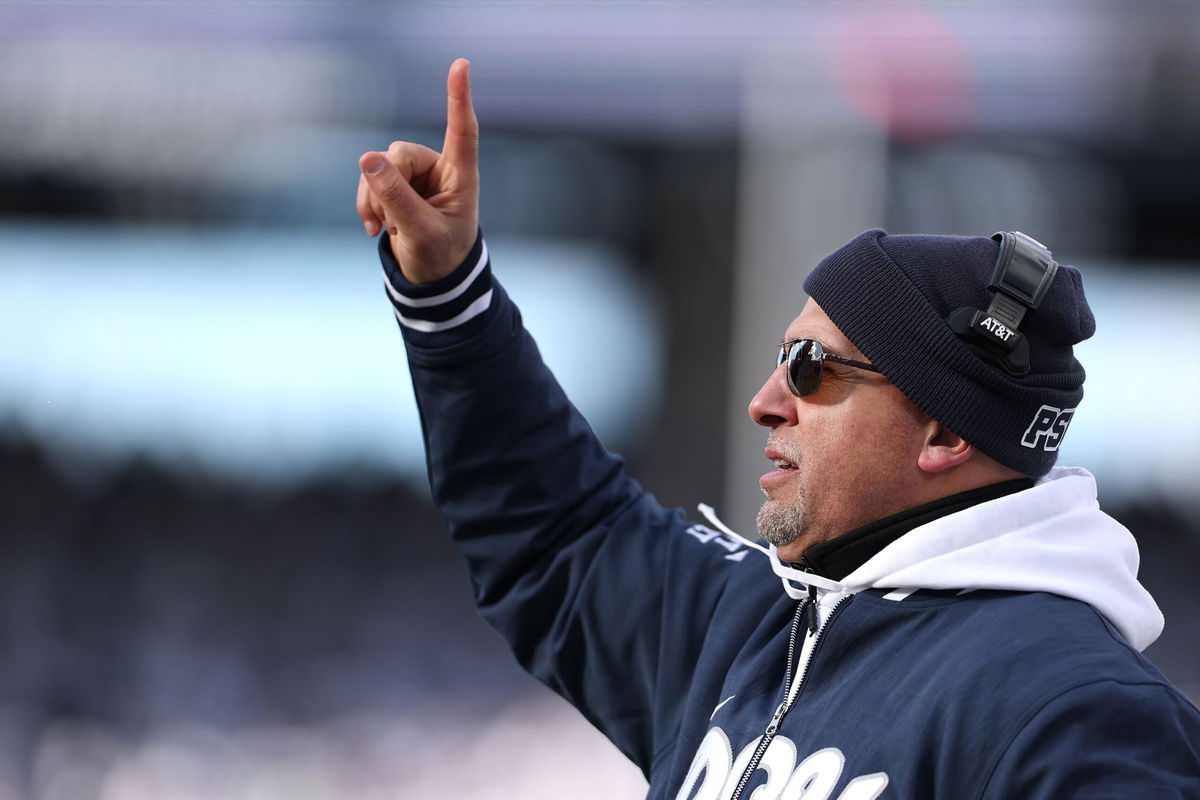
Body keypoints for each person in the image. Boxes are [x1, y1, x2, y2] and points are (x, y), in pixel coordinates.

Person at [355, 60, 1200, 799]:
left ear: (943, 431)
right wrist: (447, 296)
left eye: (809, 368)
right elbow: (561, 538)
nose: (764, 400)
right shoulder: (757, 624)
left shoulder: (1071, 713)